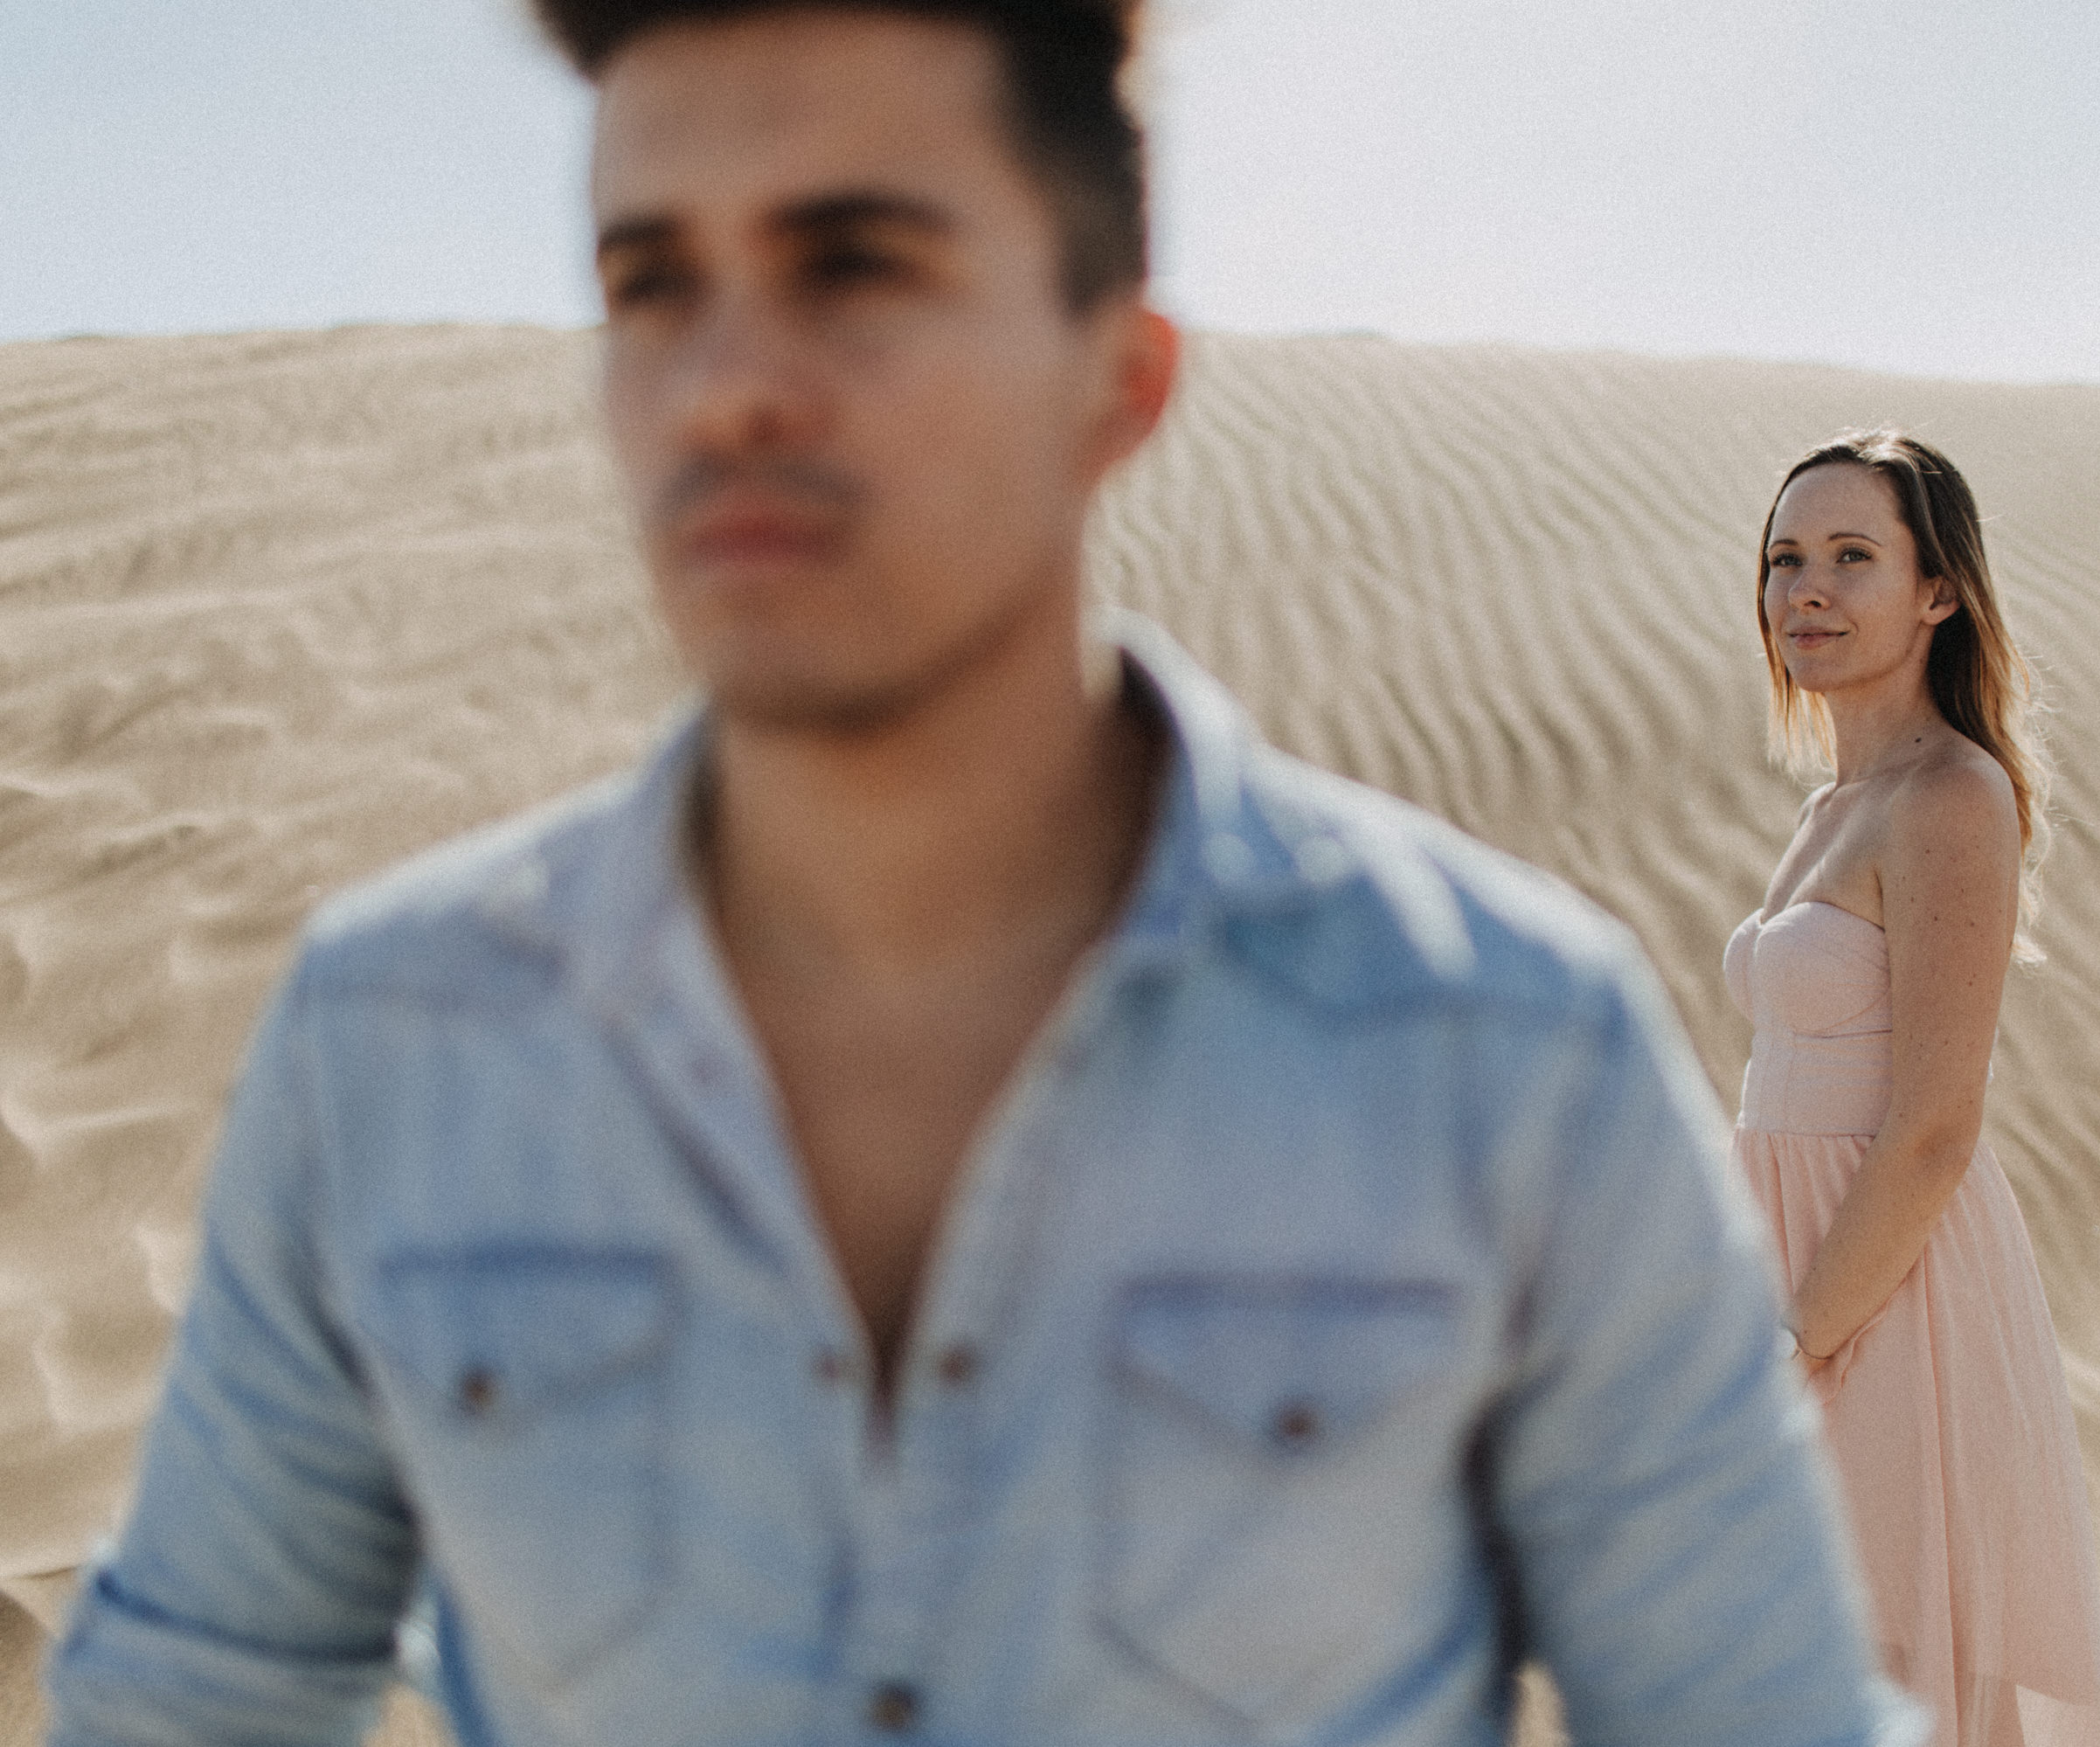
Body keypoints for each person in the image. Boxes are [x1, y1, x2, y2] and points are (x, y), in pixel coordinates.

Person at [46, 6, 1919, 1744]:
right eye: (649, 285)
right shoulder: (395, 1039)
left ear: (1120, 379)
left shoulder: (1511, 1052)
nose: (727, 388)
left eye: (854, 265)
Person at [1726, 431, 2100, 1747]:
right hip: (1795, 1281)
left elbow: (1937, 1128)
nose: (1807, 591)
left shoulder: (1951, 795)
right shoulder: (1833, 804)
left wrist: (1798, 1347)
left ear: (1938, 591)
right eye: (1785, 559)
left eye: (1851, 557)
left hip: (1885, 1306)